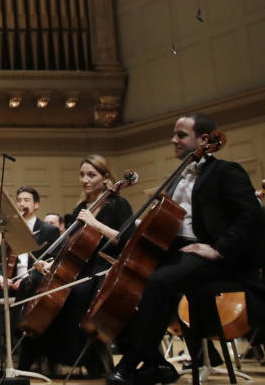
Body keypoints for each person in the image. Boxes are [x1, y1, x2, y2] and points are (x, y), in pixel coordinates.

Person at [106, 113, 265, 385]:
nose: (173, 140)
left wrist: (218, 249)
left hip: (211, 256)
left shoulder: (225, 171)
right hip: (180, 252)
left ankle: (132, 364)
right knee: (122, 281)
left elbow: (252, 216)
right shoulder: (179, 177)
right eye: (174, 134)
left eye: (181, 135)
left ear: (204, 139)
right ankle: (157, 364)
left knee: (158, 282)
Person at [18, 155, 132, 377]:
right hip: (78, 267)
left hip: (103, 268)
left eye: (92, 175)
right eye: (82, 175)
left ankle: (87, 361)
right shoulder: (81, 206)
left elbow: (126, 240)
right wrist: (49, 263)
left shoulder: (118, 204)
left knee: (75, 293)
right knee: (35, 283)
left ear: (105, 177)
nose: (85, 180)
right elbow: (71, 247)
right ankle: (39, 357)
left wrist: (95, 224)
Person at [0, 186, 58, 362]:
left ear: (36, 205)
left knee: (27, 287)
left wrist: (28, 278)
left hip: (31, 282)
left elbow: (53, 262)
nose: (21, 204)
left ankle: (19, 344)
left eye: (26, 200)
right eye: (19, 200)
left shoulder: (48, 230)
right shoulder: (9, 230)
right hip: (9, 282)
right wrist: (0, 277)